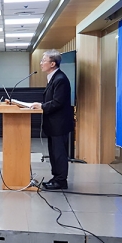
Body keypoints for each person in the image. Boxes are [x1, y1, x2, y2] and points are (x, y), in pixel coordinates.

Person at [30, 49, 74, 190]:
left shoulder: (60, 79)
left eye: (44, 61)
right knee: (54, 153)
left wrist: (41, 106)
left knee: (59, 154)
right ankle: (56, 178)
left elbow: (57, 102)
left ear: (53, 64)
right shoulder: (53, 78)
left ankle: (61, 181)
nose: (41, 63)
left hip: (59, 124)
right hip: (53, 124)